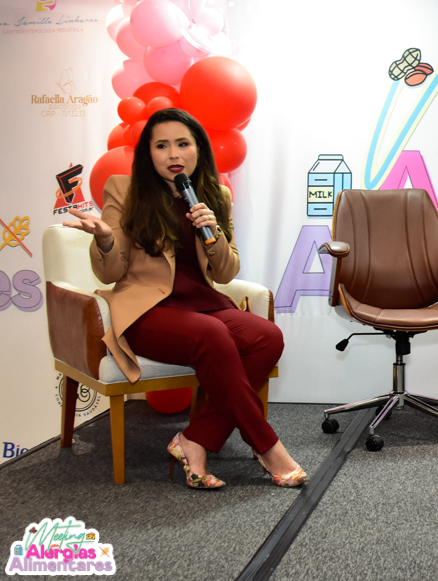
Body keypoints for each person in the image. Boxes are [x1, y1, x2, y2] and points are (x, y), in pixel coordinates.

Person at [63, 108, 308, 489]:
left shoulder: (216, 195)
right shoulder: (124, 190)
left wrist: (213, 231)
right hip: (147, 311)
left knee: (267, 337)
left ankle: (194, 439)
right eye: (162, 145)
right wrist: (106, 241)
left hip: (202, 305)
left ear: (199, 149)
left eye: (183, 143)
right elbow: (110, 273)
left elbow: (226, 273)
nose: (174, 154)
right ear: (148, 153)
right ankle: (268, 447)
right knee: (212, 334)